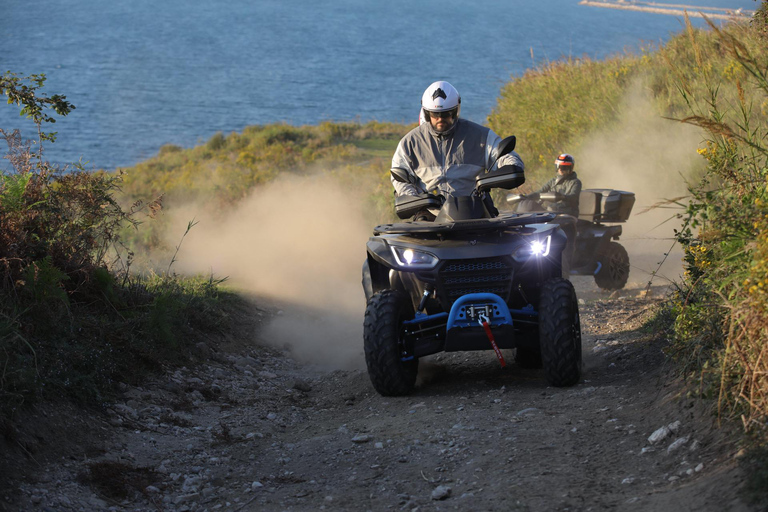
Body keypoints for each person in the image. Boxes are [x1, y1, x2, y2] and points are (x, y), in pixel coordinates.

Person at [391, 81, 524, 220]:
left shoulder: (480, 136)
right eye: (435, 114)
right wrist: (415, 199)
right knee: (409, 240)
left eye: (446, 114)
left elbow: (506, 155)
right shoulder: (410, 142)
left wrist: (509, 168)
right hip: (430, 215)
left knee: (513, 239)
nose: (440, 119)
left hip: (476, 212)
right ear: (426, 113)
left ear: (456, 111)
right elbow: (399, 176)